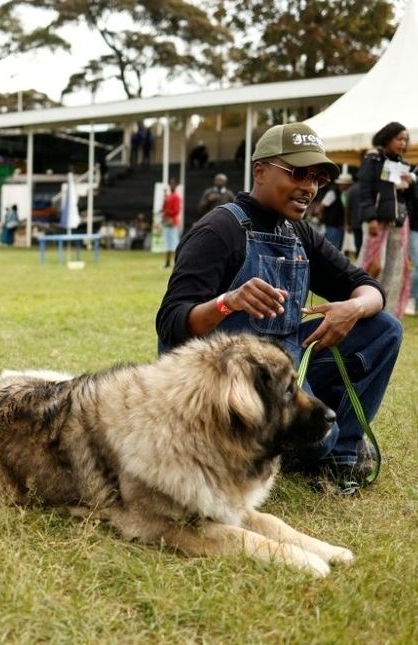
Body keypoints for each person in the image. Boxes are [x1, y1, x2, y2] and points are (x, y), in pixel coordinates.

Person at [156, 122, 403, 490]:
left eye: (318, 177)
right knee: (320, 437)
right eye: (298, 173)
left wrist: (352, 309)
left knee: (384, 328)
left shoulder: (298, 232)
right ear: (260, 170)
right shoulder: (219, 230)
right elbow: (171, 324)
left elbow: (366, 287)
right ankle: (294, 443)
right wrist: (227, 302)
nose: (310, 187)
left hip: (286, 375)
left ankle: (343, 458)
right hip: (229, 388)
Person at [357, 121, 417, 319]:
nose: (402, 143)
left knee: (397, 268)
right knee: (372, 264)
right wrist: (370, 217)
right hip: (378, 221)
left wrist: (410, 183)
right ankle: (359, 303)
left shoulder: (402, 163)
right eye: (399, 139)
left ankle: (387, 313)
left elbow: (409, 197)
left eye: (405, 140)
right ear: (387, 137)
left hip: (399, 221)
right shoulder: (373, 158)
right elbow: (365, 190)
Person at [318, 171, 353, 252]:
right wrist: (321, 217)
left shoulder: (344, 194)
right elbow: (322, 206)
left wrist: (346, 224)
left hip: (339, 226)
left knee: (337, 248)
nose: (349, 186)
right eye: (347, 184)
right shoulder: (332, 193)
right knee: (331, 246)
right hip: (332, 224)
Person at [161, 177, 182, 268]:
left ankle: (177, 263)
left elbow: (176, 210)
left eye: (173, 183)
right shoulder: (169, 196)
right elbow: (164, 207)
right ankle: (167, 263)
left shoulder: (176, 197)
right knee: (168, 243)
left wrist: (167, 212)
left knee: (174, 243)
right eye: (170, 183)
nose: (171, 185)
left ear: (176, 185)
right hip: (167, 221)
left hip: (172, 222)